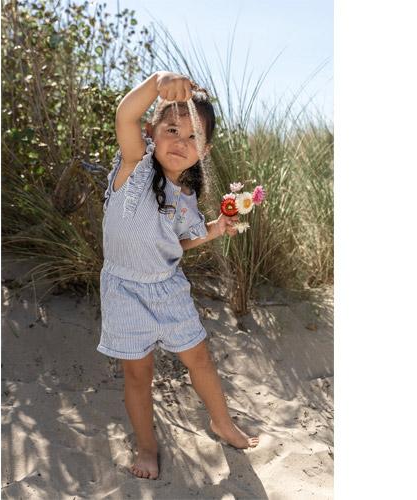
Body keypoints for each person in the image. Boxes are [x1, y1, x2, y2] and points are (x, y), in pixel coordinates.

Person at [97, 71, 259, 480]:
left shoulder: (185, 198)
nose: (181, 142)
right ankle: (147, 446)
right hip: (124, 290)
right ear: (151, 132)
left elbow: (176, 244)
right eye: (172, 130)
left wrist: (213, 230)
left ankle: (221, 422)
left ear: (204, 150)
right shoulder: (133, 168)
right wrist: (158, 82)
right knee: (138, 374)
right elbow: (124, 115)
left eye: (193, 137)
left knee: (198, 358)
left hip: (168, 289)